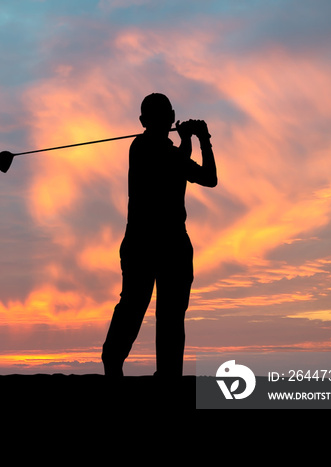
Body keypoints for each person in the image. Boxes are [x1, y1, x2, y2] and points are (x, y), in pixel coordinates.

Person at [101, 93, 217, 378]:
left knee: (171, 315)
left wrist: (201, 140)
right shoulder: (141, 148)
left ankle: (168, 375)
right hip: (146, 242)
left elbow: (209, 179)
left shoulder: (170, 151)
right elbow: (178, 161)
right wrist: (195, 138)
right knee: (135, 305)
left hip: (172, 243)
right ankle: (112, 361)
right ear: (145, 122)